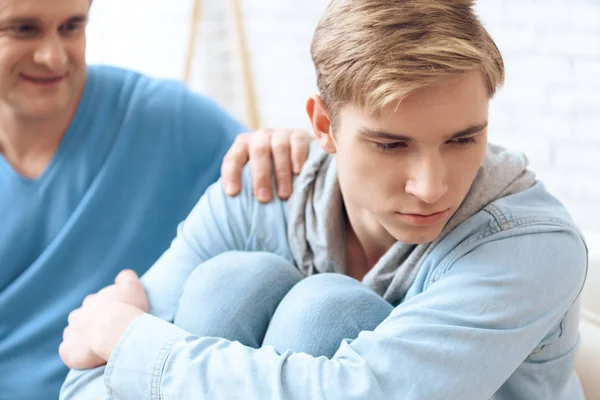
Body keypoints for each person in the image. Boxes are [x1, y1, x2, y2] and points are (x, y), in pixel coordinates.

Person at [60, 0, 588, 399]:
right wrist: (118, 347)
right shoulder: (265, 188)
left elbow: (353, 392)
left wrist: (126, 337)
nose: (431, 186)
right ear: (323, 126)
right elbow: (81, 386)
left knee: (324, 310)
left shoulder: (528, 243)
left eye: (462, 139)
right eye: (391, 144)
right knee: (236, 281)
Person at [0, 0, 313, 399]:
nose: (53, 56)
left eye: (71, 27)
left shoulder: (166, 120)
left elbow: (282, 184)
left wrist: (296, 151)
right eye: (23, 29)